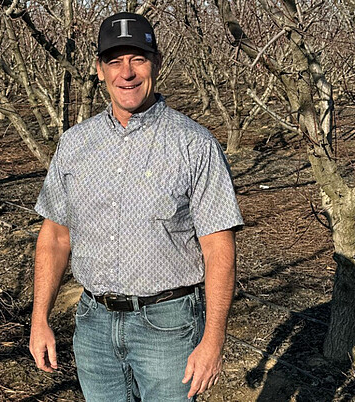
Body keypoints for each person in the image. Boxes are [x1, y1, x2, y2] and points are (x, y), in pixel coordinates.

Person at [29, 11, 243, 401]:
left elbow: (218, 246)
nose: (126, 73)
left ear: (156, 64)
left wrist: (213, 340)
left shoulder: (194, 144)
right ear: (99, 69)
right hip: (93, 323)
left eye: (138, 59)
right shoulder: (75, 145)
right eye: (114, 61)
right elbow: (56, 236)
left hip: (168, 326)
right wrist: (39, 318)